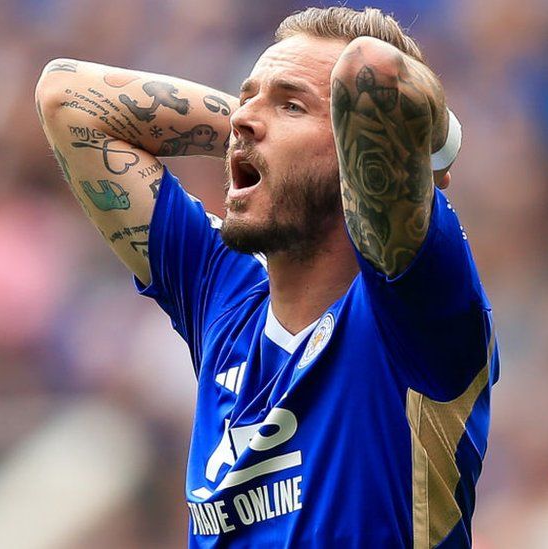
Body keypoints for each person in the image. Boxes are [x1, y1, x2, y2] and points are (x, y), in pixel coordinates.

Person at [35, 6, 498, 547]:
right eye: (249, 97)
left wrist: (417, 144)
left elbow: (372, 71)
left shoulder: (416, 309)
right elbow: (64, 98)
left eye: (291, 103)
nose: (242, 120)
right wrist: (262, 129)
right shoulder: (223, 294)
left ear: (360, 151)